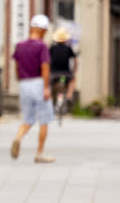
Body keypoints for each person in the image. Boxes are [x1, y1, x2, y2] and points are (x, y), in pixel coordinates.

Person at [10, 15, 56, 163]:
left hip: (24, 84)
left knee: (28, 118)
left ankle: (18, 138)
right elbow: (45, 67)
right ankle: (39, 153)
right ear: (42, 30)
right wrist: (46, 88)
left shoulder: (20, 45)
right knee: (44, 119)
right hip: (38, 83)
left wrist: (20, 77)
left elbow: (16, 66)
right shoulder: (41, 46)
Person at [48, 28, 77, 114]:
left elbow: (47, 60)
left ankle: (49, 102)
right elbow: (75, 61)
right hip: (65, 75)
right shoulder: (68, 48)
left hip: (54, 75)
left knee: (50, 86)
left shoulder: (52, 48)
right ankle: (69, 96)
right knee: (73, 80)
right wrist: (73, 71)